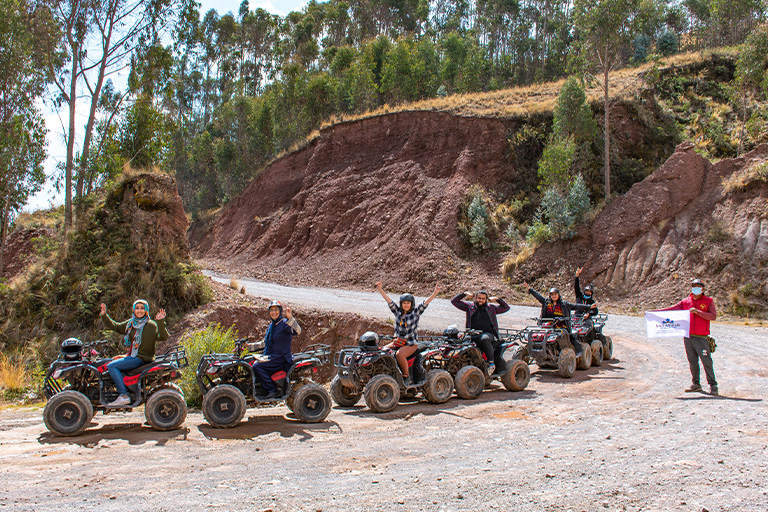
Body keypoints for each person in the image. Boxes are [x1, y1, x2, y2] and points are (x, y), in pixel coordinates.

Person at [100, 299, 167, 407]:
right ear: (134, 310)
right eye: (137, 308)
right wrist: (104, 315)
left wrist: (160, 322)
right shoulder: (131, 324)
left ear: (146, 310)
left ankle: (123, 395)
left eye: (142, 308)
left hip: (142, 358)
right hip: (133, 356)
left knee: (112, 366)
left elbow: (163, 337)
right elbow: (116, 326)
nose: (139, 310)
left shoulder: (151, 325)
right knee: (112, 361)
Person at [658, 278, 718, 395]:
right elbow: (673, 309)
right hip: (688, 336)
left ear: (703, 288)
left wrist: (698, 312)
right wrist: (656, 312)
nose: (696, 289)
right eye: (694, 286)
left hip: (701, 337)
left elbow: (713, 316)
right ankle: (696, 384)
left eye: (698, 286)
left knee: (706, 361)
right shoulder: (686, 301)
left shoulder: (708, 301)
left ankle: (713, 385)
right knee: (692, 361)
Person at [376, 280, 441, 384]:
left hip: (410, 344)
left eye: (408, 303)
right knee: (382, 351)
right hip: (398, 342)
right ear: (401, 304)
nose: (406, 305)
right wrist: (380, 289)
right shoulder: (398, 312)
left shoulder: (415, 313)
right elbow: (389, 301)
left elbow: (425, 303)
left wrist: (435, 293)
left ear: (412, 304)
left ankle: (406, 377)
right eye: (404, 303)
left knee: (399, 354)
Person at [523, 283, 594, 355]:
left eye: (555, 294)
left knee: (563, 339)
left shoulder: (564, 304)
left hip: (561, 327)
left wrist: (588, 307)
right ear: (550, 295)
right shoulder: (546, 303)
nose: (553, 296)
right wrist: (529, 289)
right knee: (535, 337)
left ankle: (570, 352)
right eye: (552, 294)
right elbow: (538, 296)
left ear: (558, 295)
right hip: (548, 326)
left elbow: (576, 306)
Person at [451, 290, 510, 374]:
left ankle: (491, 363)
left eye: (483, 299)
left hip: (488, 334)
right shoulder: (469, 307)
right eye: (479, 298)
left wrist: (497, 299)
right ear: (475, 298)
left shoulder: (491, 308)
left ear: (486, 299)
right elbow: (454, 301)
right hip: (472, 334)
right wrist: (464, 294)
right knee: (461, 342)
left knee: (484, 339)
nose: (481, 300)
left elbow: (506, 308)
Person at [253, 300, 301, 399]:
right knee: (250, 360)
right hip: (271, 357)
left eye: (276, 310)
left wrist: (290, 318)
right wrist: (247, 346)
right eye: (271, 310)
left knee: (257, 366)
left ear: (280, 311)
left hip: (281, 358)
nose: (273, 312)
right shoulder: (271, 326)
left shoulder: (284, 323)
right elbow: (264, 343)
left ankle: (272, 390)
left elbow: (298, 331)